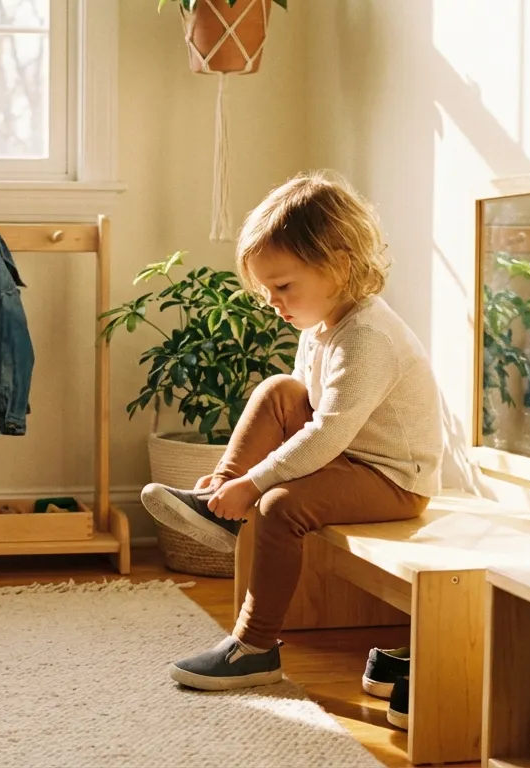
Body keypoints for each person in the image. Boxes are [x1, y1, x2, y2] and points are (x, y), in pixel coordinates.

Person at [142, 170, 444, 691]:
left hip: (394, 478)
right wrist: (241, 478)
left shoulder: (367, 336)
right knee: (279, 390)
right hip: (350, 459)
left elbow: (327, 433)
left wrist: (256, 484)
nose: (273, 302)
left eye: (283, 286)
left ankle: (254, 648)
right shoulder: (321, 324)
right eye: (266, 290)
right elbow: (302, 406)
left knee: (280, 505)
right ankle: (216, 497)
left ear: (339, 266)